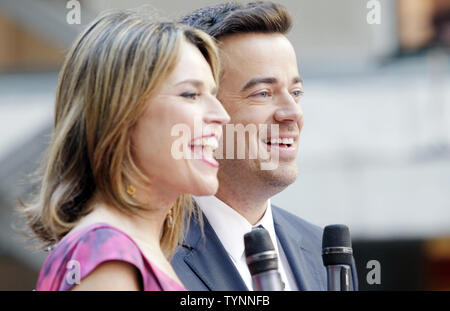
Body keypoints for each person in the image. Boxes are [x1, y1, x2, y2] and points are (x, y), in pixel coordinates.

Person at [19, 9, 230, 291]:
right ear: (121, 115)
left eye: (213, 95)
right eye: (190, 94)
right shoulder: (108, 257)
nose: (222, 115)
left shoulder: (132, 250)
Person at [172, 1, 358, 290]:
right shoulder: (150, 253)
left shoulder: (322, 253)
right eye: (262, 93)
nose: (293, 113)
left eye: (295, 92)